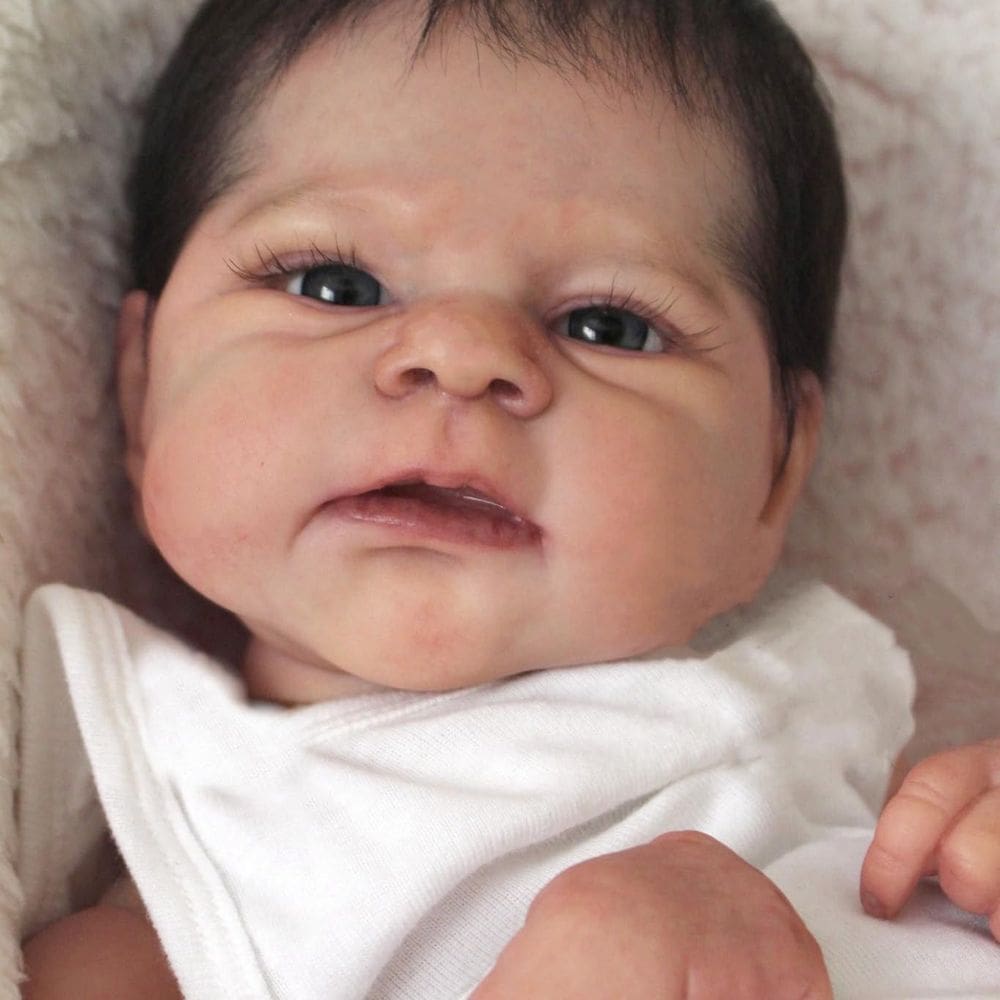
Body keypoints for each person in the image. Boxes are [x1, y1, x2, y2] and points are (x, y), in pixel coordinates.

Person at [16, 0, 1000, 996]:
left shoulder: (859, 699)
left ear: (776, 469)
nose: (461, 354)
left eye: (607, 326)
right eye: (334, 284)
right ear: (144, 388)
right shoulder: (173, 932)